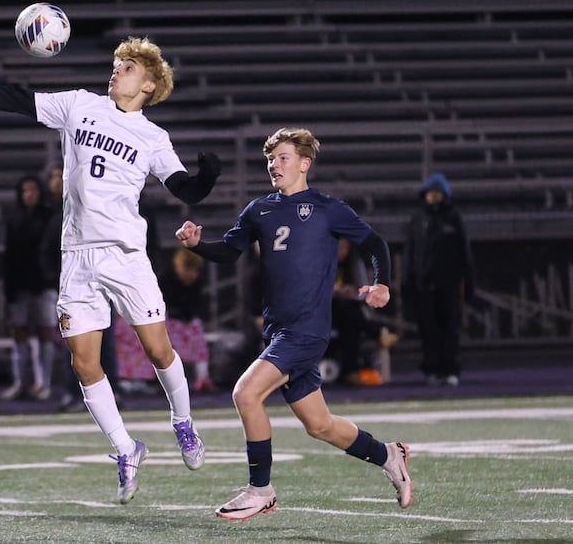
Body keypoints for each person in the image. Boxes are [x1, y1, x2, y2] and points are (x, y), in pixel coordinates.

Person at [0, 35, 221, 503]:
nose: (116, 70)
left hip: (124, 254)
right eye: (117, 63)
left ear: (150, 84)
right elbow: (14, 98)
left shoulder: (153, 137)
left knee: (159, 350)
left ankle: (183, 422)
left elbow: (185, 190)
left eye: (128, 67)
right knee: (84, 362)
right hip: (77, 254)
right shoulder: (79, 105)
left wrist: (207, 177)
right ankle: (126, 448)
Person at [175, 127, 412, 520]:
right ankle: (388, 455)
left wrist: (381, 282)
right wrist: (197, 245)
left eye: (283, 158)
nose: (274, 165)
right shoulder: (259, 210)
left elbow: (374, 243)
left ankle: (260, 490)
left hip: (306, 331)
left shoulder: (327, 208)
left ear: (305, 164)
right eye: (271, 159)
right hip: (278, 331)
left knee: (245, 394)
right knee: (320, 425)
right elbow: (230, 250)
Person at [402, 172, 475, 387]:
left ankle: (450, 369)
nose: (433, 195)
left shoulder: (453, 217)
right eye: (430, 192)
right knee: (428, 330)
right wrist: (407, 282)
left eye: (437, 192)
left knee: (450, 329)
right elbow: (410, 252)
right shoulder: (418, 218)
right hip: (424, 285)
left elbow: (464, 253)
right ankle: (431, 369)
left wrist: (468, 282)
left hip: (448, 284)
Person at [115, 248, 215, 392]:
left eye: (195, 270)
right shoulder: (163, 279)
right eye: (188, 269)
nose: (191, 274)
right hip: (162, 321)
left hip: (183, 324)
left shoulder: (197, 283)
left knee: (196, 329)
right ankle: (147, 379)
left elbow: (197, 307)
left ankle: (202, 378)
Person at [1, 175, 52, 400]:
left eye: (33, 190)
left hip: (43, 284)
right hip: (20, 284)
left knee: (44, 332)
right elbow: (9, 255)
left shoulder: (49, 216)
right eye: (25, 190)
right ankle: (20, 382)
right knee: (19, 333)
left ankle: (44, 383)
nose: (29, 195)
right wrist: (9, 287)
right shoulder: (13, 217)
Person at [331, 237, 399, 386]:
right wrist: (335, 291)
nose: (341, 252)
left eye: (344, 248)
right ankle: (379, 332)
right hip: (326, 310)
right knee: (347, 312)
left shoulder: (353, 263)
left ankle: (351, 372)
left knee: (350, 321)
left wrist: (352, 293)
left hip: (347, 313)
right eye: (338, 248)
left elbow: (362, 291)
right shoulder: (322, 263)